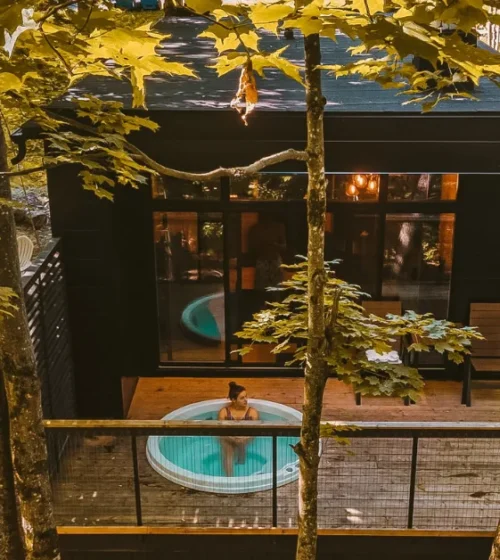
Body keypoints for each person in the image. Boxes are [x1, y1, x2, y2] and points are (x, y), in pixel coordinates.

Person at [218, 382, 259, 476]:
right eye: (242, 398)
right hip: (227, 438)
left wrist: (244, 439)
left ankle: (241, 463)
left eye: (246, 396)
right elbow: (220, 431)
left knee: (241, 447)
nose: (246, 400)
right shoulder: (224, 412)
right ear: (233, 400)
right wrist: (231, 439)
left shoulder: (252, 412)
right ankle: (229, 479)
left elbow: (255, 431)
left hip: (245, 437)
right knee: (228, 453)